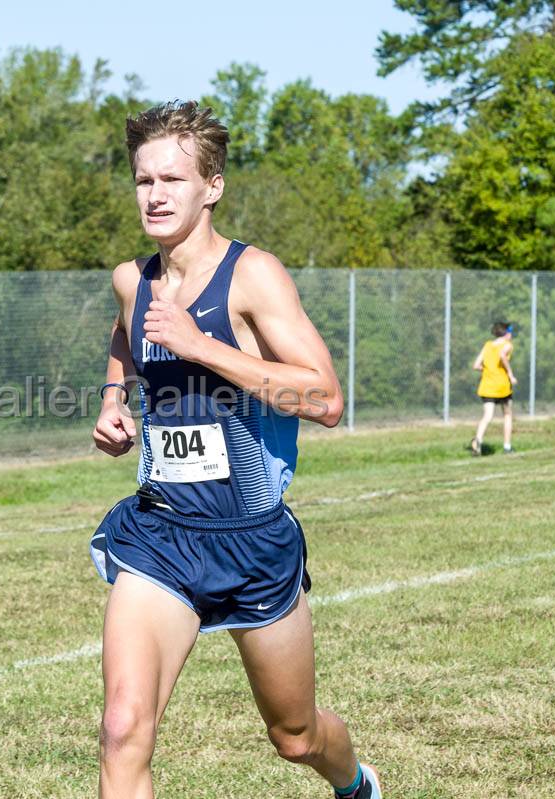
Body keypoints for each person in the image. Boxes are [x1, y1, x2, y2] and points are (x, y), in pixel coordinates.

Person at [89, 100, 380, 799]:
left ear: (211, 186)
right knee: (123, 726)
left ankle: (357, 784)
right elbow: (129, 333)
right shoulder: (135, 278)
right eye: (142, 180)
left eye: (172, 180)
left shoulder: (254, 277)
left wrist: (201, 347)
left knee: (295, 734)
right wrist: (113, 400)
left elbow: (327, 400)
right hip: (160, 534)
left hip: (252, 540)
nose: (154, 195)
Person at [469, 321, 518, 455]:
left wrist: (488, 369)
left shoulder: (487, 346)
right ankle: (507, 447)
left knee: (487, 416)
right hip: (502, 386)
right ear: (507, 334)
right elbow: (502, 356)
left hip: (487, 386)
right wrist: (510, 374)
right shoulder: (507, 345)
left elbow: (476, 365)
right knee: (507, 414)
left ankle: (477, 441)